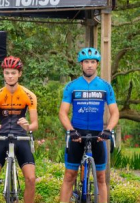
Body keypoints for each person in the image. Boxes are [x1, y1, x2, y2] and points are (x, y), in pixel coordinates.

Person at [59, 47, 119, 203]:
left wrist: (108, 130)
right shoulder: (71, 86)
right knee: (69, 175)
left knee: (101, 177)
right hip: (76, 134)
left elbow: (115, 112)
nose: (90, 65)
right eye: (86, 62)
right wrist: (71, 130)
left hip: (98, 134)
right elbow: (63, 112)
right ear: (81, 64)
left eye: (93, 62)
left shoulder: (105, 86)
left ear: (97, 64)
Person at [0, 56, 38, 203]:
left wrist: (28, 126)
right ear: (3, 74)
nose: (10, 76)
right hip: (2, 138)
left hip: (21, 137)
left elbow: (35, 124)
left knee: (31, 179)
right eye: (7, 73)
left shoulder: (29, 95)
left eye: (13, 73)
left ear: (19, 74)